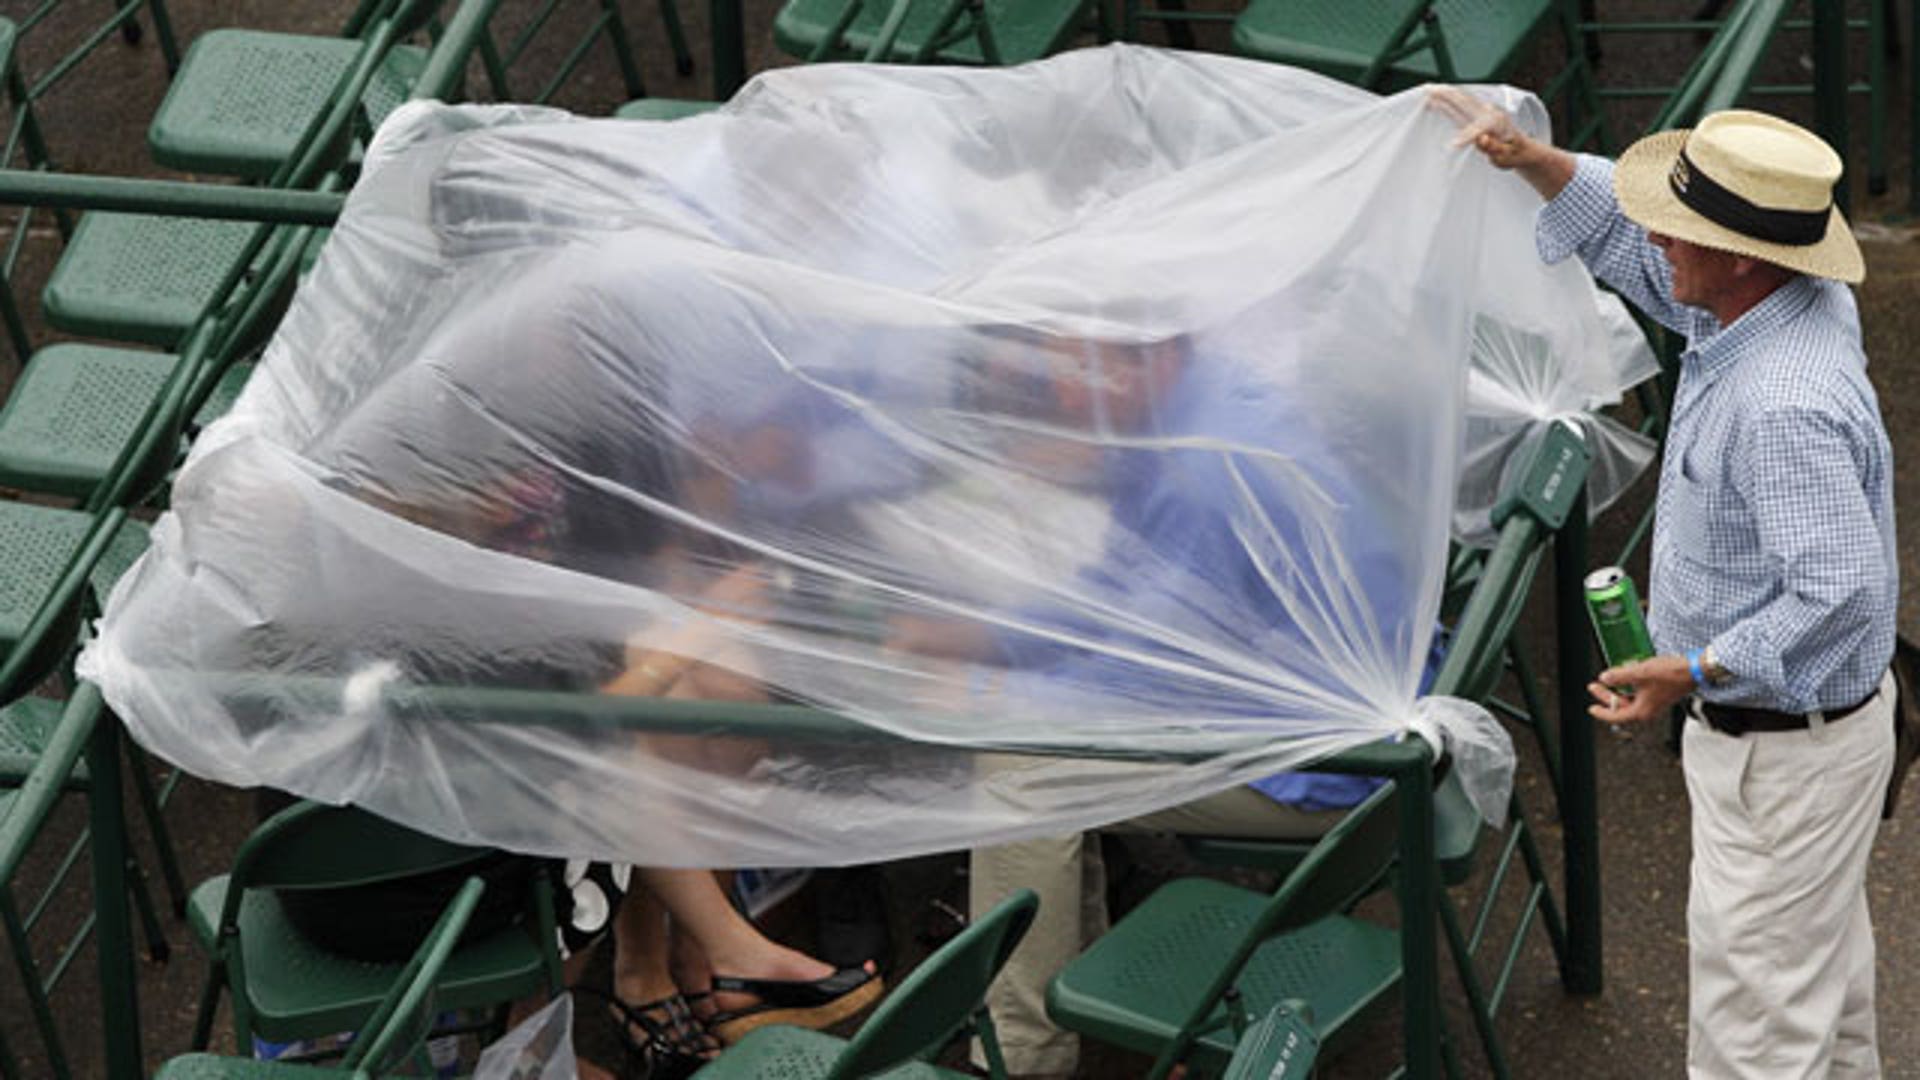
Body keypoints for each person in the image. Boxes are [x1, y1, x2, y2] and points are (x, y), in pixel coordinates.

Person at [1439, 88, 1897, 1077]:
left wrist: (1692, 669)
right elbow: (1645, 256)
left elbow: (1840, 590)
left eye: (1680, 225)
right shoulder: (1774, 298)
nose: (1656, 233)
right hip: (1807, 747)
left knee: (1754, 1040)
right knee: (1820, 994)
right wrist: (1533, 160)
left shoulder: (1782, 404)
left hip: (1784, 762)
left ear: (1737, 258)